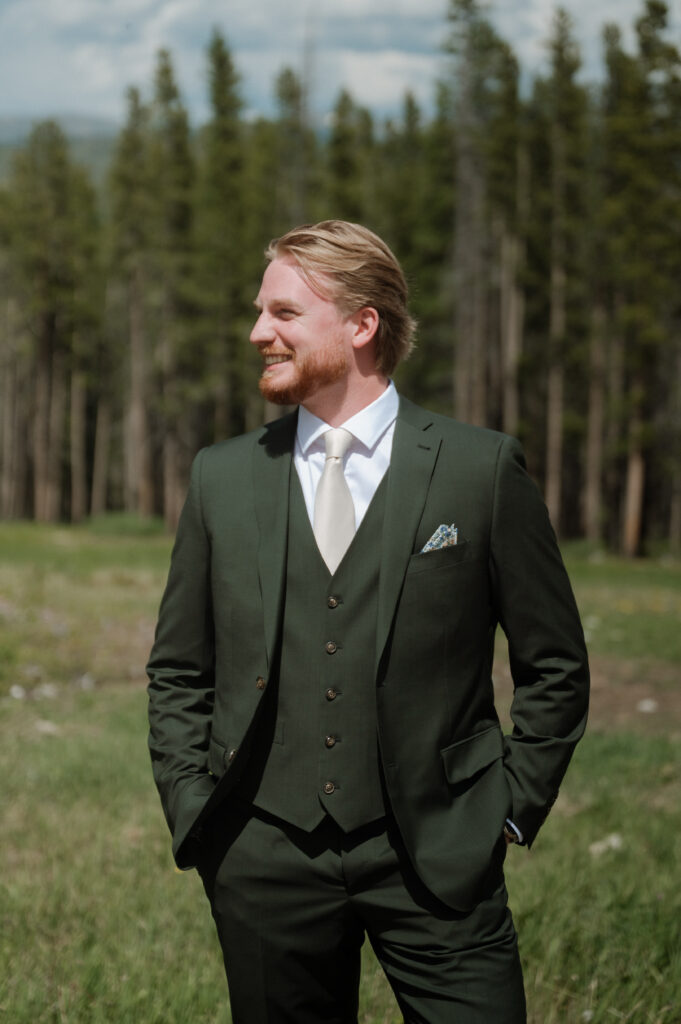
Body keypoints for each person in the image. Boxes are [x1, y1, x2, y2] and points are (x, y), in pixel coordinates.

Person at [147, 220, 589, 1024]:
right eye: (259, 312)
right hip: (261, 855)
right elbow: (180, 667)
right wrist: (197, 812)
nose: (257, 334)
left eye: (282, 314)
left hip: (439, 850)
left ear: (360, 324)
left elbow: (553, 662)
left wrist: (509, 811)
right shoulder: (223, 477)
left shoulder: (477, 469)